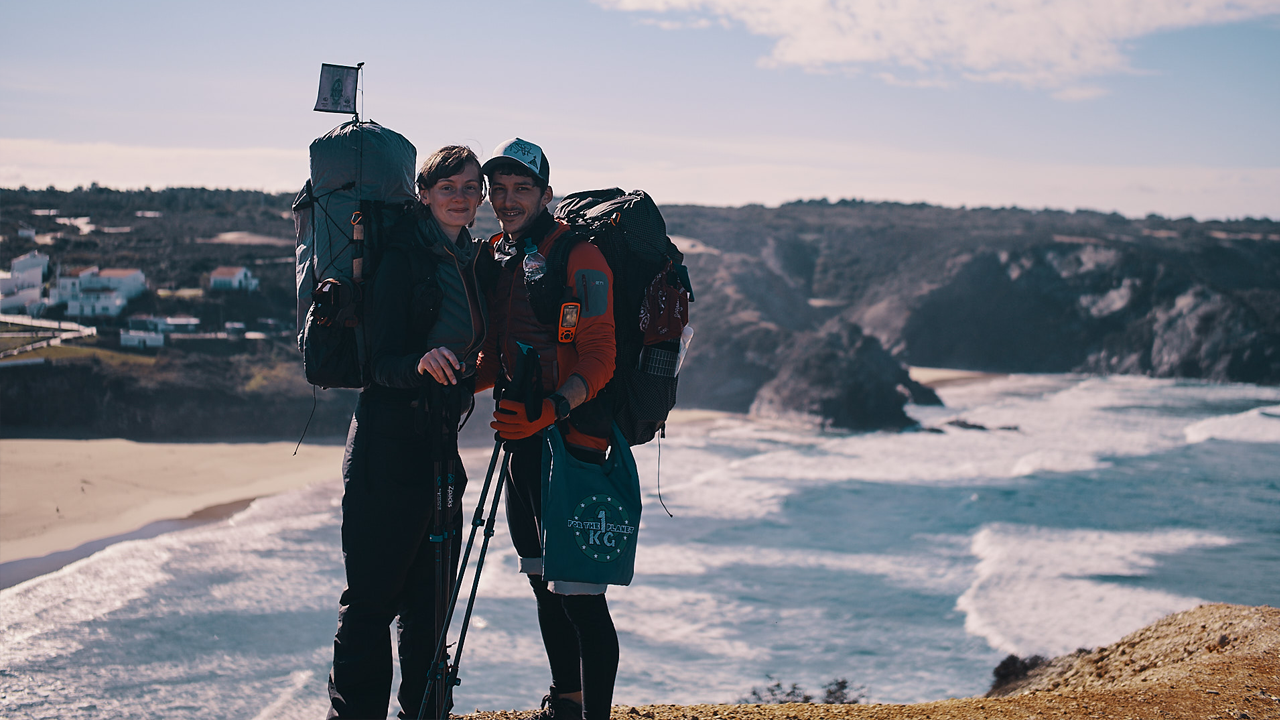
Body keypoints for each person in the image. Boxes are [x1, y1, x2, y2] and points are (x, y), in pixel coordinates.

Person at [328, 145, 488, 720]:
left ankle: (426, 714)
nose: (462, 197)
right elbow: (376, 365)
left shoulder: (468, 255)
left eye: (472, 188)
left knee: (430, 601)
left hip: (440, 445)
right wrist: (420, 362)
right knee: (373, 599)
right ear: (424, 193)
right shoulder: (403, 257)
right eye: (449, 186)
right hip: (388, 446)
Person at [473, 137, 619, 720]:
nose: (508, 200)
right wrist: (450, 385)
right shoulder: (495, 256)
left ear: (546, 195)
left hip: (573, 440)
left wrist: (550, 410)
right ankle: (566, 701)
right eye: (499, 190)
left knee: (580, 594)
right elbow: (492, 354)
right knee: (539, 578)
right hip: (521, 440)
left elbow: (600, 355)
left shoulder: (579, 256)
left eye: (521, 189)